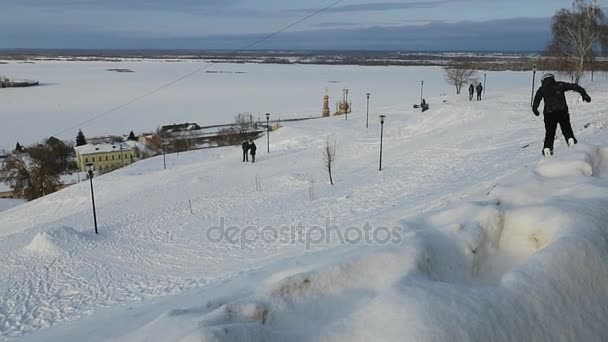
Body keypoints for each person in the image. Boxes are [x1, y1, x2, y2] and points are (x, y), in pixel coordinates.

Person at [532, 73, 591, 156]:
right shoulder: (560, 85)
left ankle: (547, 148)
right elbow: (574, 86)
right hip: (562, 111)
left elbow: (536, 100)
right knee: (566, 128)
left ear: (543, 81)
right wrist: (584, 94)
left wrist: (535, 109)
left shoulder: (542, 89)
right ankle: (570, 139)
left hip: (549, 113)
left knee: (550, 133)